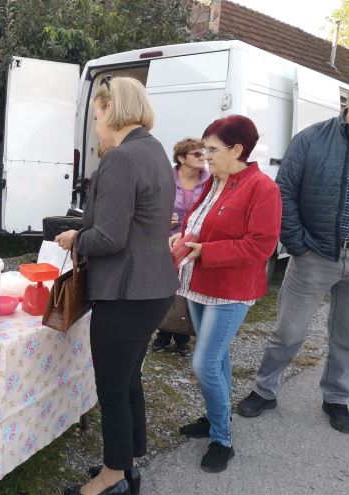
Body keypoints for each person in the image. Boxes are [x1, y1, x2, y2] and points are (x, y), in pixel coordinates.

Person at [55, 76, 179, 495]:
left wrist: (75, 239)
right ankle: (128, 464)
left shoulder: (122, 158)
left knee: (111, 386)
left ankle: (112, 479)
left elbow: (108, 237)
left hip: (127, 291)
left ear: (111, 109)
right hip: (151, 287)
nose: (96, 127)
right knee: (127, 380)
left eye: (96, 116)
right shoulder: (154, 149)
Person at [172, 115, 281, 472]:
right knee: (217, 359)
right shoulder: (215, 181)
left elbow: (260, 247)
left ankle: (222, 438)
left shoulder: (262, 188)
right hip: (199, 283)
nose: (205, 156)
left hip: (231, 290)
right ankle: (214, 418)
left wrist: (206, 251)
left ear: (237, 150)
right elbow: (201, 223)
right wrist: (183, 236)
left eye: (212, 149)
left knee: (204, 362)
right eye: (204, 149)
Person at [237, 108, 349, 434]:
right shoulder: (311, 139)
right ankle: (264, 390)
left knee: (346, 336)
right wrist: (298, 244)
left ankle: (337, 398)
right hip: (315, 253)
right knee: (288, 331)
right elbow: (283, 192)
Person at [152, 138, 209, 356]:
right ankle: (163, 334)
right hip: (166, 242)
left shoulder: (211, 181)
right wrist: (162, 220)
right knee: (165, 290)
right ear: (181, 158)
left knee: (186, 290)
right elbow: (151, 208)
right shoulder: (165, 178)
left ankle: (183, 336)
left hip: (193, 244)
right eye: (197, 154)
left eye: (204, 153)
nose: (203, 157)